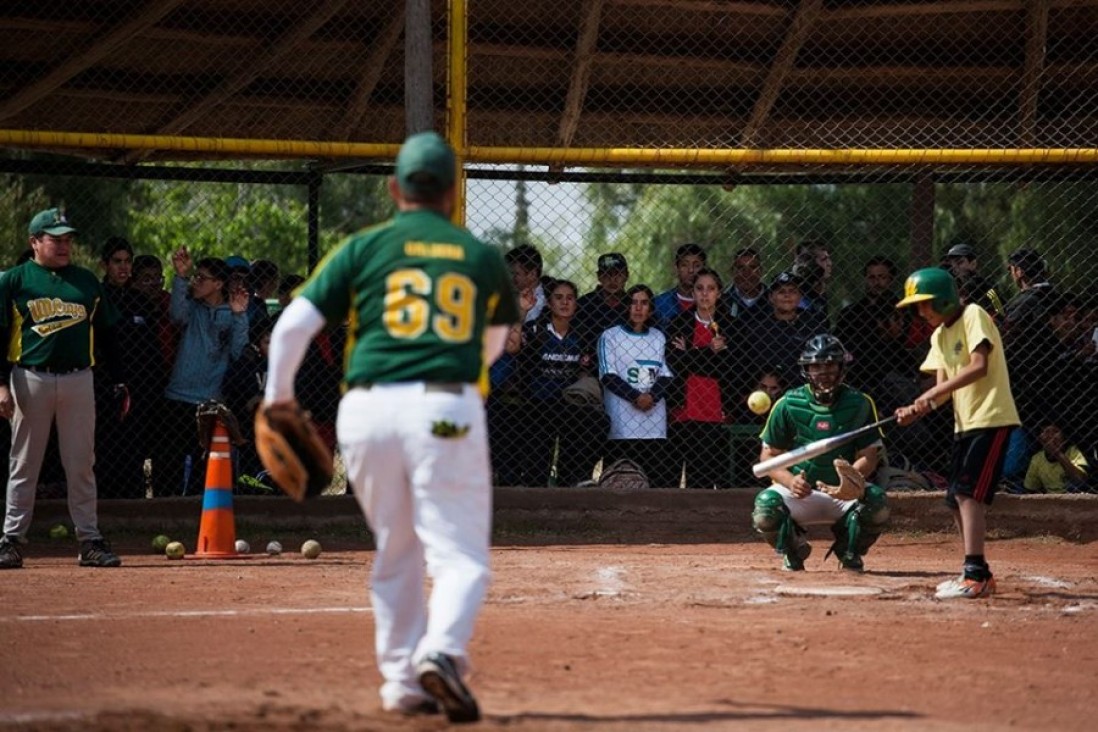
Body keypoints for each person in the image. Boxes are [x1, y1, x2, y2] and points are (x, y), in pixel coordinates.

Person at [262, 131, 519, 722]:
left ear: (394, 188)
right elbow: (495, 340)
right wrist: (460, 369)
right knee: (458, 553)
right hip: (444, 406)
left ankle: (403, 683)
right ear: (454, 194)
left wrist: (277, 402)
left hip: (367, 409)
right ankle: (443, 651)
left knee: (396, 547)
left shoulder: (363, 248)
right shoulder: (477, 254)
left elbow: (291, 329)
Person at [0, 208, 124, 569]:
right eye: (55, 239)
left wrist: (119, 378)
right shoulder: (15, 280)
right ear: (34, 241)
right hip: (29, 378)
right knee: (24, 462)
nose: (64, 245)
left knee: (81, 462)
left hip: (78, 379)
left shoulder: (85, 281)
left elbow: (107, 334)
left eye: (67, 239)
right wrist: (1, 385)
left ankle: (89, 540)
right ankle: (10, 540)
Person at [895, 267, 1020, 600]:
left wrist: (926, 398)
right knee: (955, 499)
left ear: (944, 298)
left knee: (967, 493)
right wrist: (916, 409)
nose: (921, 313)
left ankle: (975, 574)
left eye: (925, 304)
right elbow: (942, 391)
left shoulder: (974, 315)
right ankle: (976, 572)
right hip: (965, 424)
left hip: (991, 417)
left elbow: (978, 366)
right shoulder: (938, 337)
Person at [751, 335, 890, 572]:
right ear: (806, 369)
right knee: (765, 509)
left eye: (830, 365)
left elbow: (870, 455)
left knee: (876, 501)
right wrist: (790, 480)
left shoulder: (860, 403)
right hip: (799, 493)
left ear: (841, 367)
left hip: (842, 493)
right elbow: (768, 457)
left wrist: (852, 479)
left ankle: (848, 550)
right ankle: (794, 548)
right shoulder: (788, 403)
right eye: (816, 366)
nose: (823, 372)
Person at [150, 252, 249, 497]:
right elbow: (177, 315)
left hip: (210, 400)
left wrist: (239, 314)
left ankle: (198, 512)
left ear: (218, 284)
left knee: (202, 464)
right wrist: (181, 276)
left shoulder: (230, 312)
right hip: (178, 396)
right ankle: (166, 509)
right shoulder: (192, 308)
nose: (197, 282)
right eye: (195, 276)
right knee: (168, 462)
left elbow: (239, 349)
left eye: (202, 278)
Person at [510, 279, 608, 487]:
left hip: (568, 404)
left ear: (576, 304)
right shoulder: (535, 330)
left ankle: (575, 480)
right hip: (538, 404)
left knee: (597, 422)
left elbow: (586, 369)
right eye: (559, 298)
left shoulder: (582, 334)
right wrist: (522, 311)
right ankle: (534, 489)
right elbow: (512, 347)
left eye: (570, 298)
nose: (565, 303)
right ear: (549, 303)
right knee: (535, 467)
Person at [94, 236, 162, 499]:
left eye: (127, 262)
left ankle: (132, 501)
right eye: (117, 262)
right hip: (103, 386)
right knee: (104, 446)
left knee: (133, 448)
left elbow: (152, 350)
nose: (123, 268)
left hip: (139, 389)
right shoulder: (96, 298)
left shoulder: (141, 302)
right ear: (105, 265)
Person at [666, 268, 740, 489]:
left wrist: (689, 354)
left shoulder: (732, 325)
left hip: (716, 411)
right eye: (699, 288)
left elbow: (729, 368)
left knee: (704, 480)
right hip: (682, 409)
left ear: (719, 293)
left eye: (711, 289)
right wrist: (709, 352)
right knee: (673, 478)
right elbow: (675, 363)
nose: (705, 294)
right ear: (693, 293)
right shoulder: (678, 323)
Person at [598, 284, 675, 486]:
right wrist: (636, 397)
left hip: (654, 426)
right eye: (633, 303)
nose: (638, 308)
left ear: (650, 309)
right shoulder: (610, 336)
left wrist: (651, 397)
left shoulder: (658, 337)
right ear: (625, 306)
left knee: (656, 483)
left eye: (644, 303)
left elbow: (666, 375)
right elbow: (608, 375)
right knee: (618, 483)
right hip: (622, 426)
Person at [738, 270, 827, 386]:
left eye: (792, 291)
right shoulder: (757, 330)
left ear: (800, 297)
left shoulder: (814, 327)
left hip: (805, 391)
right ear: (771, 297)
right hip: (767, 393)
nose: (787, 295)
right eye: (781, 291)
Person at [575, 252, 629, 352]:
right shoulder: (584, 305)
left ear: (626, 275)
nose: (613, 279)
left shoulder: (633, 305)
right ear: (599, 276)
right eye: (607, 274)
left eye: (618, 273)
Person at [1022, 421, 1089, 494]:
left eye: (1055, 431)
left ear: (1064, 438)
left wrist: (1057, 454)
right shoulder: (1037, 459)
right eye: (1046, 432)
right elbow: (1030, 488)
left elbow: (1079, 480)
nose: (1051, 436)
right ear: (1040, 440)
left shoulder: (1072, 452)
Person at [653, 243, 706, 328]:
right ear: (676, 269)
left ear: (704, 269)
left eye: (697, 266)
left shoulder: (711, 303)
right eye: (685, 265)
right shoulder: (660, 303)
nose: (691, 270)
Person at [943, 243, 1004, 318]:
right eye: (952, 265)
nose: (955, 268)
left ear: (973, 263)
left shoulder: (985, 286)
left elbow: (1000, 312)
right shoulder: (954, 289)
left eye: (959, 262)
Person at [724, 247, 767, 320]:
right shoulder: (723, 301)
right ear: (733, 272)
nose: (747, 273)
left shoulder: (773, 299)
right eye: (741, 268)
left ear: (761, 271)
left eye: (752, 267)